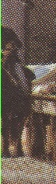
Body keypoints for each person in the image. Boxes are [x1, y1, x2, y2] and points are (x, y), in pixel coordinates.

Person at [4, 28, 34, 157]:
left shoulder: (8, 31)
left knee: (21, 78)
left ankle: (24, 96)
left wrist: (11, 47)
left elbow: (19, 44)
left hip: (11, 62)